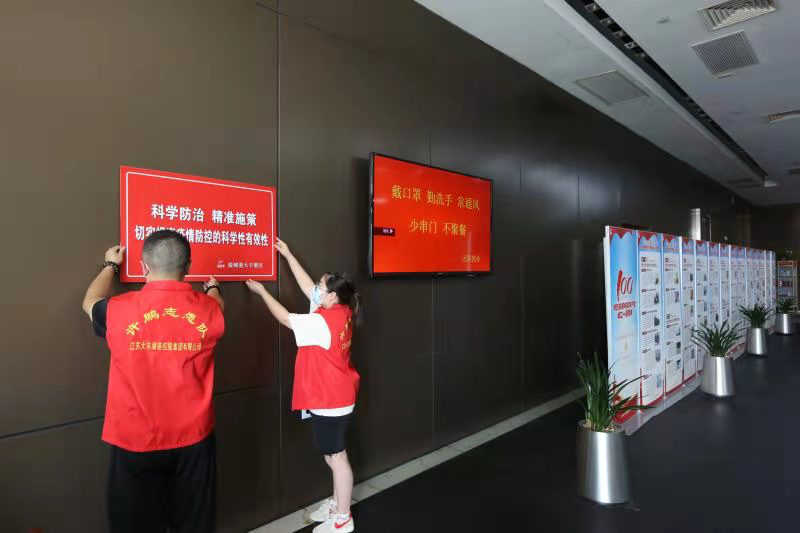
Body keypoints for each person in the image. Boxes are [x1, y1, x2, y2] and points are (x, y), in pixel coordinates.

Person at [82, 230, 225, 533]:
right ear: (188, 268)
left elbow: (90, 301)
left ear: (144, 266)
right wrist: (213, 288)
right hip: (194, 441)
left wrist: (111, 266)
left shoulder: (118, 310)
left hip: (135, 441)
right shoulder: (209, 310)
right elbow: (217, 305)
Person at [245, 238, 360, 533]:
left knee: (337, 457)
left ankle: (343, 518)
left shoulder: (323, 322)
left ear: (332, 296)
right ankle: (337, 504)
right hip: (335, 395)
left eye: (322, 286)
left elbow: (285, 318)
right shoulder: (342, 310)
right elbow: (309, 288)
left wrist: (262, 292)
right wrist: (288, 255)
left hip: (332, 400)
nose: (317, 289)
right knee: (332, 455)